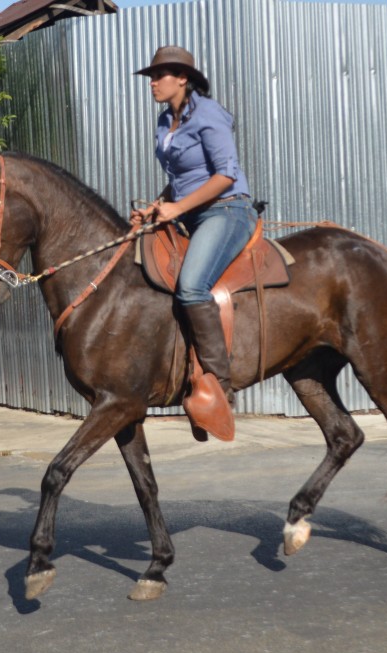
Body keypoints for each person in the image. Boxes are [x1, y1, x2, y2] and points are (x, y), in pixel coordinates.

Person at [131, 45, 258, 425]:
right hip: (188, 212)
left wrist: (178, 209)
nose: (152, 83)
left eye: (159, 76)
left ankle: (220, 386)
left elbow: (226, 174)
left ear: (182, 79)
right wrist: (157, 205)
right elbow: (181, 180)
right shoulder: (161, 122)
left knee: (190, 286)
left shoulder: (208, 115)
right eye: (150, 77)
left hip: (227, 210)